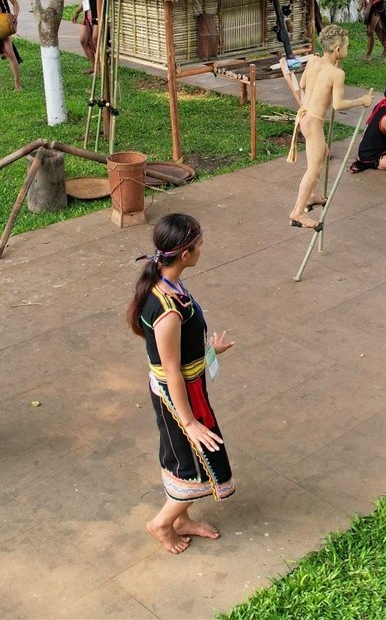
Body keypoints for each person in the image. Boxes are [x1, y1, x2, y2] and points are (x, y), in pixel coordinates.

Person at [127, 213, 235, 554]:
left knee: (190, 456)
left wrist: (209, 353)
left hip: (188, 389)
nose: (203, 249)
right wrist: (187, 421)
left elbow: (179, 356)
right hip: (177, 398)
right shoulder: (167, 309)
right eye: (200, 245)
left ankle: (181, 519)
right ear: (185, 255)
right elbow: (172, 370)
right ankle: (161, 524)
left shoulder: (170, 283)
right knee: (193, 463)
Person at [286, 25, 373, 230]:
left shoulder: (314, 60)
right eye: (346, 47)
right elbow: (338, 105)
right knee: (313, 168)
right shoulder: (336, 73)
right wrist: (362, 100)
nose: (347, 51)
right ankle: (297, 212)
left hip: (305, 117)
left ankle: (311, 197)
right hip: (314, 122)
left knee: (323, 153)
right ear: (337, 50)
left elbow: (304, 83)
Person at [78, 0, 101, 75]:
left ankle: (100, 67)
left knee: (96, 40)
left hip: (98, 15)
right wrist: (77, 11)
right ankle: (94, 65)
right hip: (87, 15)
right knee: (83, 40)